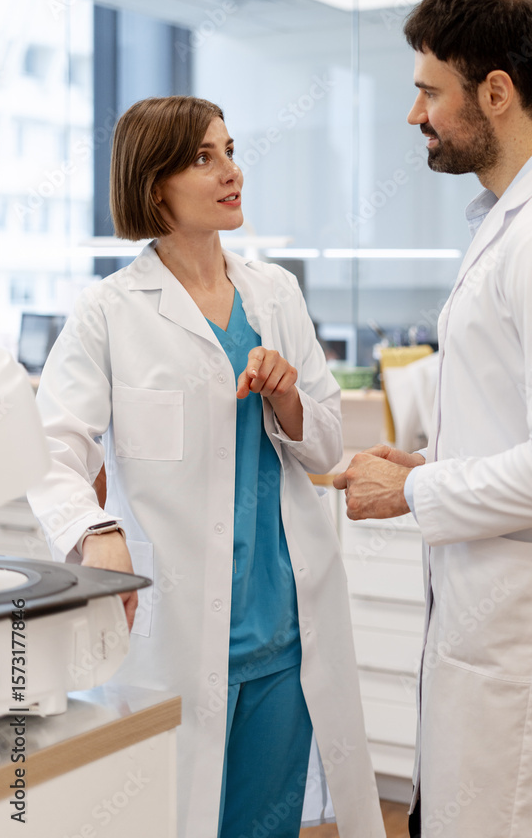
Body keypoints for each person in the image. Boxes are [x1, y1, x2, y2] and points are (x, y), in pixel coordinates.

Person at [334, 0, 532, 838]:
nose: (415, 116)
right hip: (502, 624)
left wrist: (410, 494)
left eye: (429, 92)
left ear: (497, 93)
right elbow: (528, 429)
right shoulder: (521, 221)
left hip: (531, 643)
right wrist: (433, 465)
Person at [28, 96, 385, 838]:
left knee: (263, 825)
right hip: (179, 635)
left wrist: (288, 397)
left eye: (229, 150)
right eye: (203, 157)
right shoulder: (109, 311)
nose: (232, 171)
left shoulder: (274, 294)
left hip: (285, 631)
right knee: (174, 819)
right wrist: (95, 529)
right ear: (155, 184)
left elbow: (320, 446)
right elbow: (51, 448)